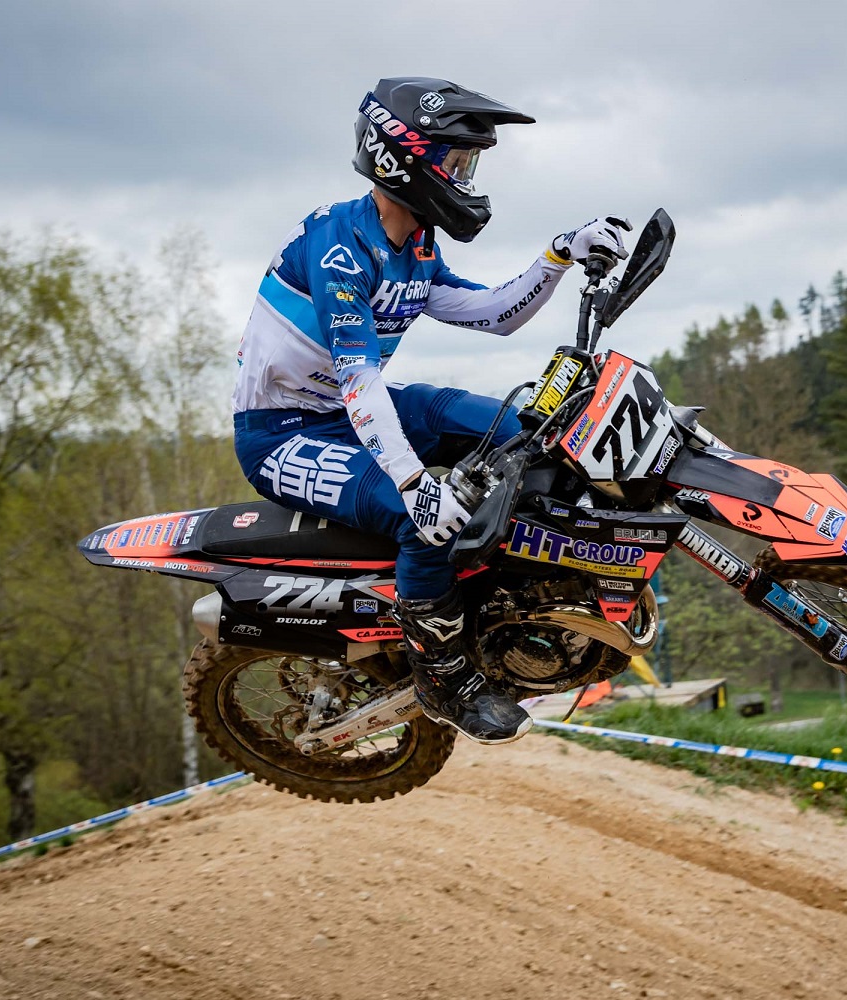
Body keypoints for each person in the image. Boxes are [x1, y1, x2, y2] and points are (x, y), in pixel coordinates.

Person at [231, 77, 631, 745]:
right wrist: (416, 483)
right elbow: (358, 380)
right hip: (282, 435)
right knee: (424, 519)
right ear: (403, 160)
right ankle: (443, 678)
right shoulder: (339, 248)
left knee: (525, 431)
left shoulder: (415, 244)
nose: (466, 179)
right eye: (457, 163)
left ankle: (514, 598)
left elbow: (492, 314)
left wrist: (559, 255)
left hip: (355, 408)